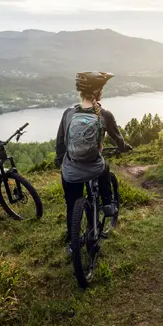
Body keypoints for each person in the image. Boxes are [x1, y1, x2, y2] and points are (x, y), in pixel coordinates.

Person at [55, 72, 132, 250]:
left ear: (80, 93)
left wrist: (60, 161)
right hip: (94, 168)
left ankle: (73, 243)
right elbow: (117, 138)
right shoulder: (104, 115)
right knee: (104, 166)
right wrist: (123, 147)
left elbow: (60, 143)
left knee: (72, 205)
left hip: (71, 170)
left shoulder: (68, 114)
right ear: (98, 93)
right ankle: (106, 203)